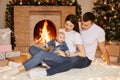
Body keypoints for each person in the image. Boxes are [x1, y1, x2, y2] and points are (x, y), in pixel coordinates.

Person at [2, 14, 86, 78]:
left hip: (63, 59)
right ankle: (44, 60)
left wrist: (66, 54)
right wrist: (48, 48)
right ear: (64, 22)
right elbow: (53, 42)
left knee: (42, 54)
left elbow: (83, 53)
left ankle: (16, 70)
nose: (68, 27)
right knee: (32, 48)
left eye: (71, 26)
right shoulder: (61, 30)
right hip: (52, 53)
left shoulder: (76, 35)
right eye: (66, 24)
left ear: (74, 26)